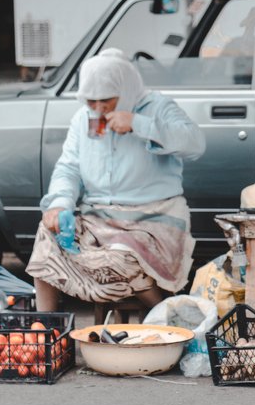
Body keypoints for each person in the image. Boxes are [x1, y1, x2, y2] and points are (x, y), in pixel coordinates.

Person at [27, 49, 206, 313]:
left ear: (125, 90)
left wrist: (138, 124)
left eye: (106, 101)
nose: (98, 108)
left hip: (151, 219)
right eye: (91, 101)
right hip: (98, 218)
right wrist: (60, 203)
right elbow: (69, 168)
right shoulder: (83, 118)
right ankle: (46, 328)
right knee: (46, 237)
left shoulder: (158, 107)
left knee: (120, 255)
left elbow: (195, 144)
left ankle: (165, 315)